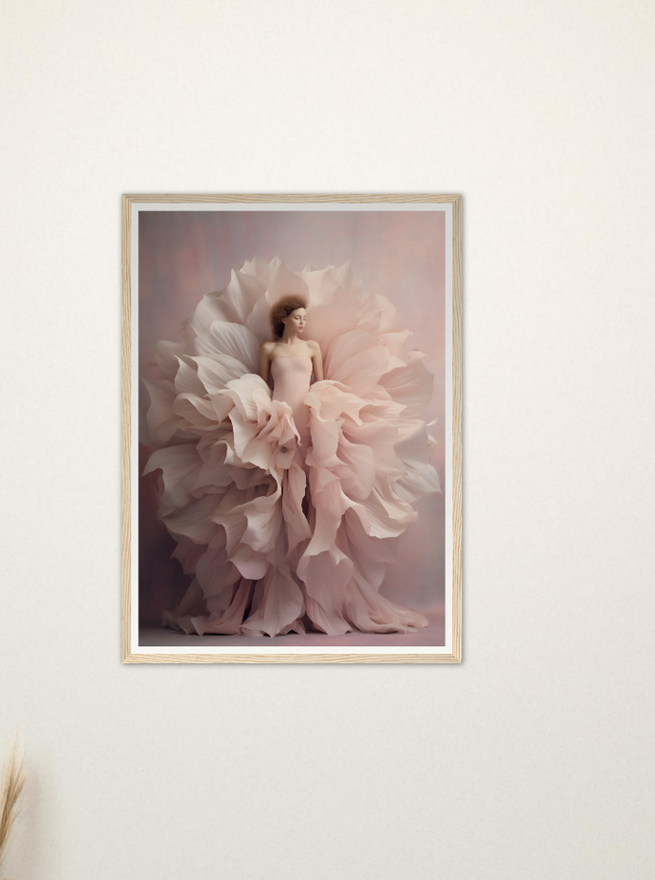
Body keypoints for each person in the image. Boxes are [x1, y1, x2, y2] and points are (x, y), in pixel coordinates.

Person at [142, 261, 441, 638]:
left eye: (304, 317)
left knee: (314, 503)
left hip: (310, 422)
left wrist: (322, 416)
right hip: (278, 425)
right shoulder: (269, 349)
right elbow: (267, 385)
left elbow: (317, 379)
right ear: (285, 319)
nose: (303, 322)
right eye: (298, 317)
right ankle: (273, 600)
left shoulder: (313, 347)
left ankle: (317, 601)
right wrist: (268, 417)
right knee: (280, 505)